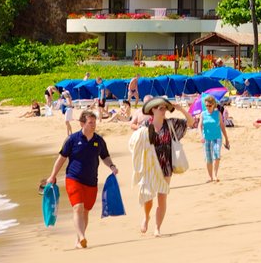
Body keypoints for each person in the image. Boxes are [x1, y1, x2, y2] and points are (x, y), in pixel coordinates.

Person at [46, 110, 118, 249]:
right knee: (78, 207)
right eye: (90, 123)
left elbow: (105, 156)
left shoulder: (99, 140)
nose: (93, 125)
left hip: (91, 181)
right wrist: (53, 175)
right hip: (73, 178)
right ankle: (82, 237)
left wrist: (112, 166)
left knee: (85, 210)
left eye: (94, 122)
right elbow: (61, 158)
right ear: (82, 123)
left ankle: (79, 239)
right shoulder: (72, 139)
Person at [129, 96, 191, 237]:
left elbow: (191, 122)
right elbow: (135, 143)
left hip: (166, 165)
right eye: (161, 108)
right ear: (153, 110)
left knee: (162, 197)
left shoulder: (170, 124)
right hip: (150, 165)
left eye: (165, 108)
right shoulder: (145, 126)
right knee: (148, 196)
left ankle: (157, 228)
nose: (164, 111)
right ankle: (146, 216)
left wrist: (181, 109)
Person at [199, 95, 230, 182]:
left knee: (216, 156)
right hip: (206, 139)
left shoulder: (218, 114)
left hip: (217, 138)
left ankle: (215, 175)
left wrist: (226, 139)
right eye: (206, 105)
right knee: (208, 158)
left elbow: (222, 126)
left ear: (213, 105)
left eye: (209, 105)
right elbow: (199, 126)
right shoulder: (203, 114)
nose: (208, 107)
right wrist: (201, 136)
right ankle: (210, 177)